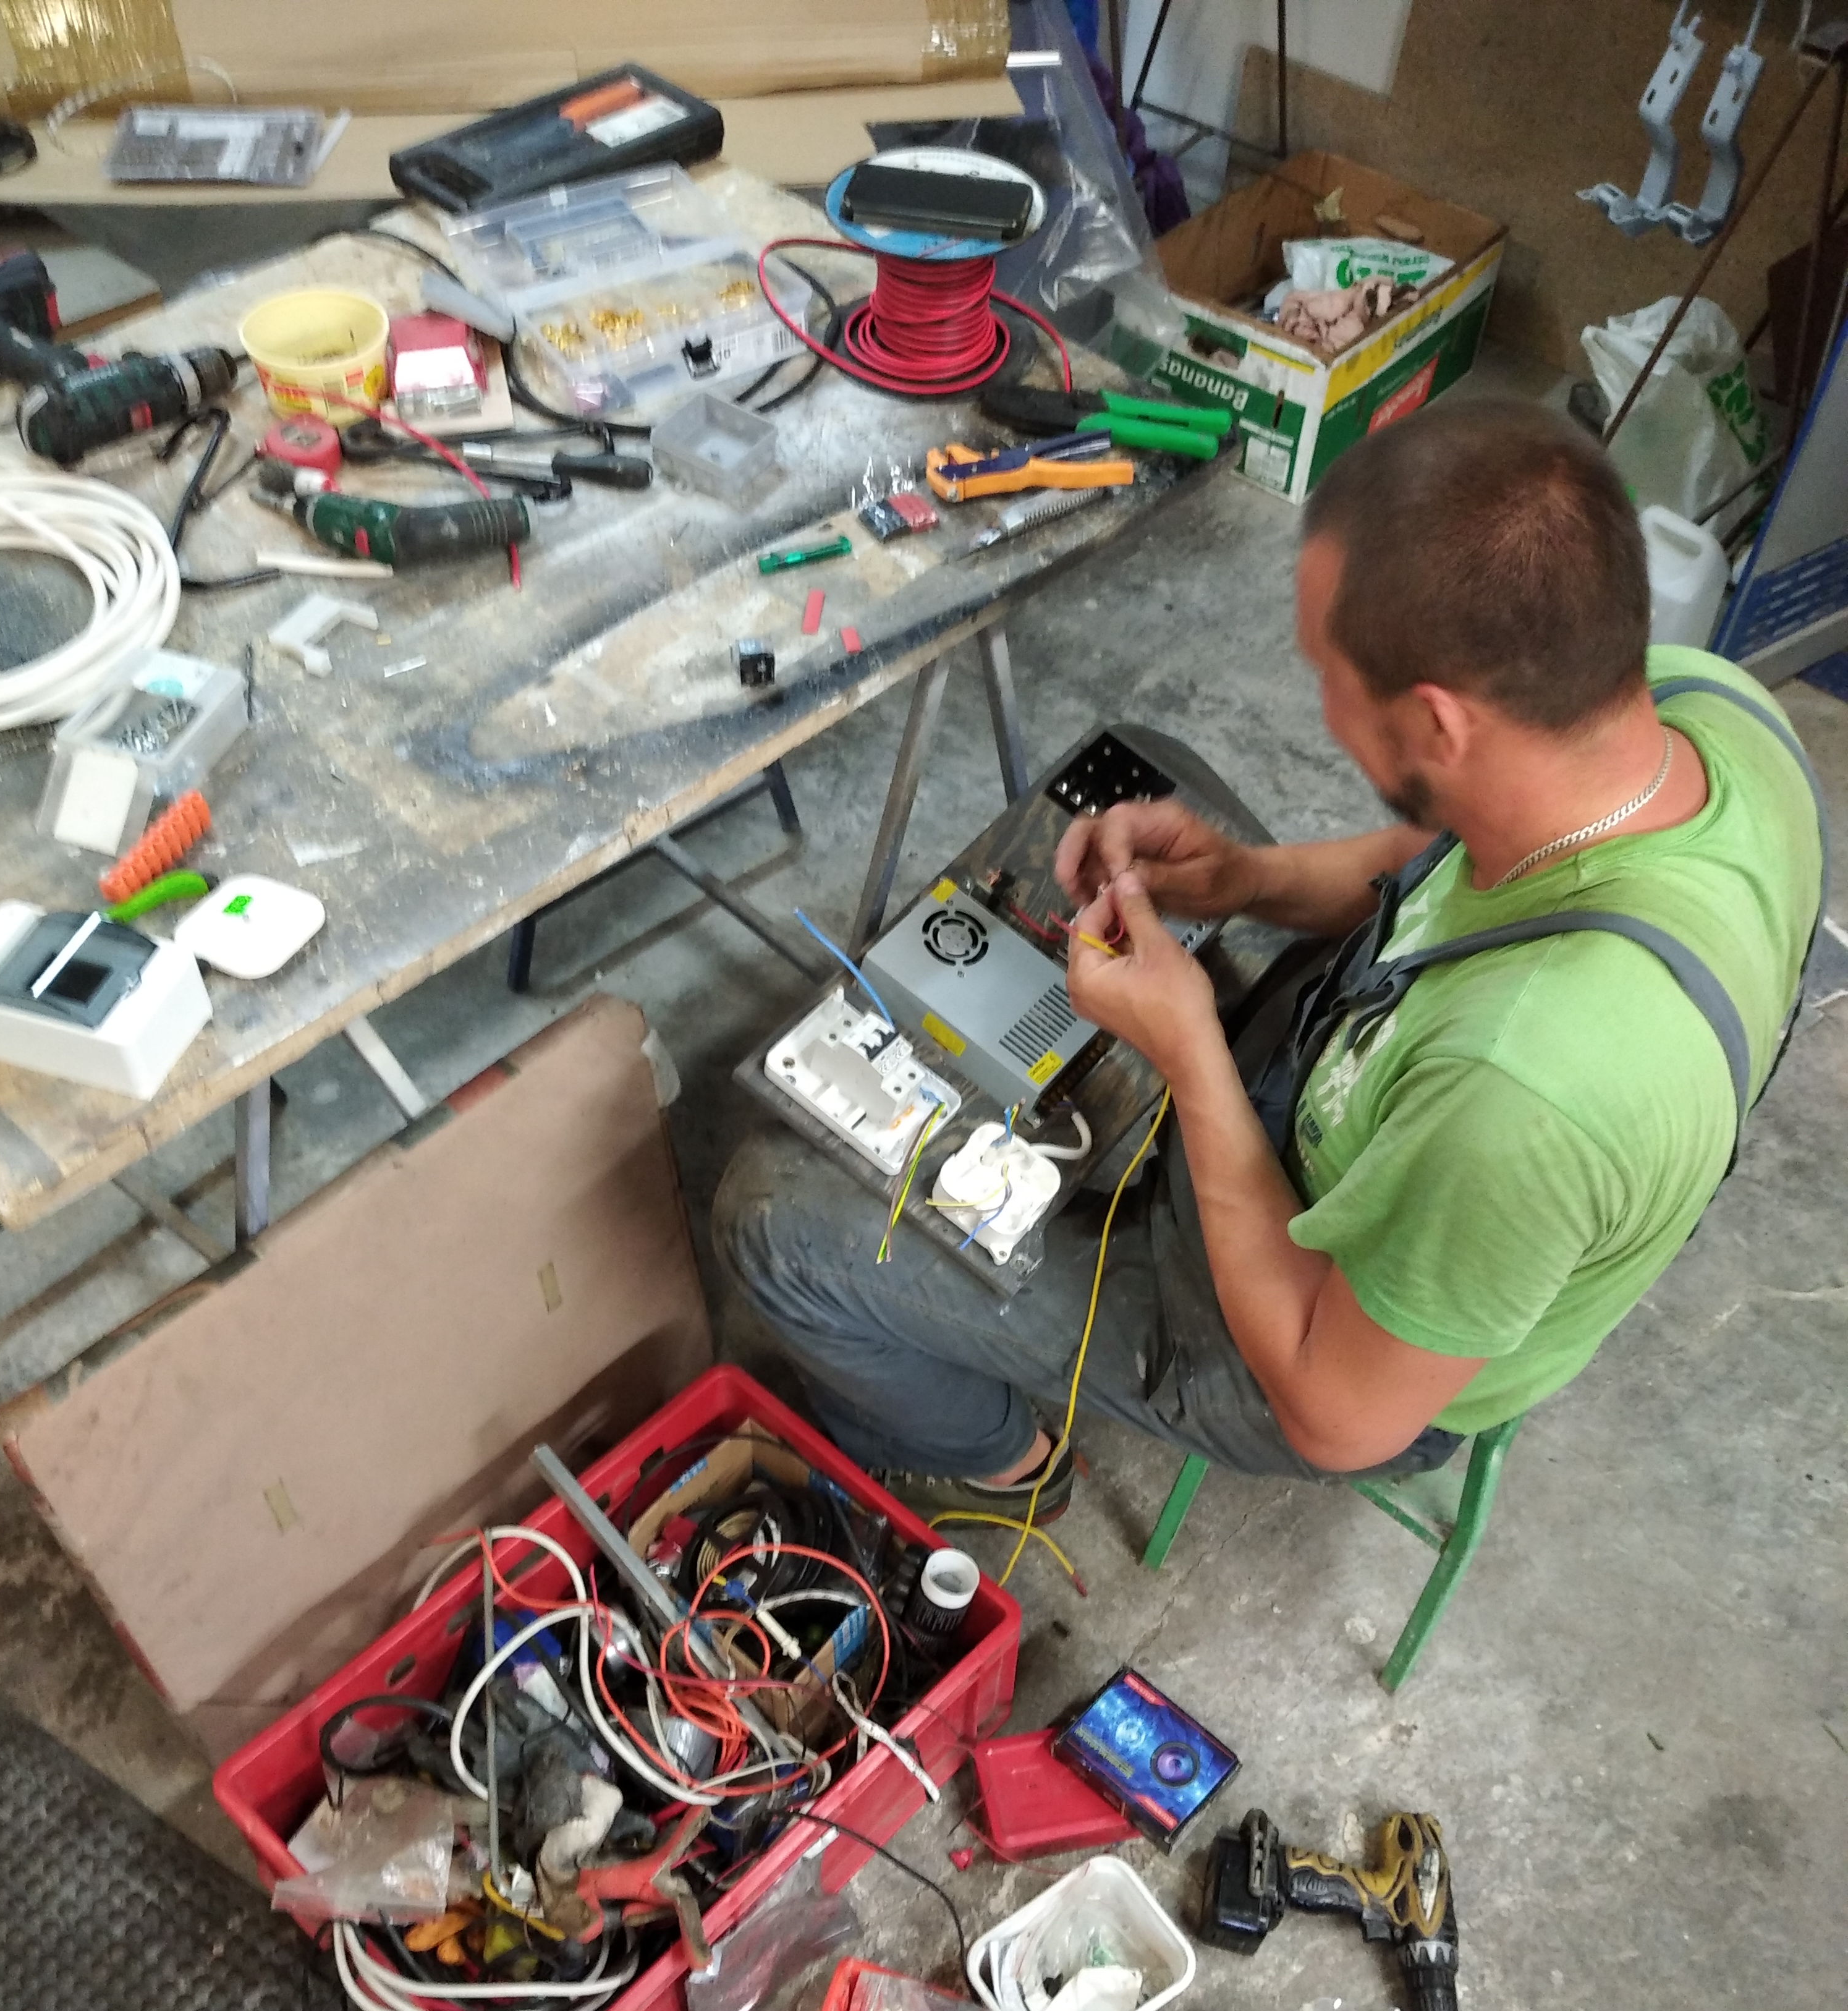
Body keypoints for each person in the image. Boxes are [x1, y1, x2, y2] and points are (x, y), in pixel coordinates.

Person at [714, 398, 1823, 1526]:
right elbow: (1443, 852)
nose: (1319, 702)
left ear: (1439, 725)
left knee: (774, 1225)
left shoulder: (1526, 1094)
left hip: (1309, 1346)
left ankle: (1004, 1463)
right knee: (1144, 763)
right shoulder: (1701, 710)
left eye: (1327, 673)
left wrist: (1192, 1057)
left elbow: (1335, 1416)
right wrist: (1246, 880)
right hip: (1354, 1086)